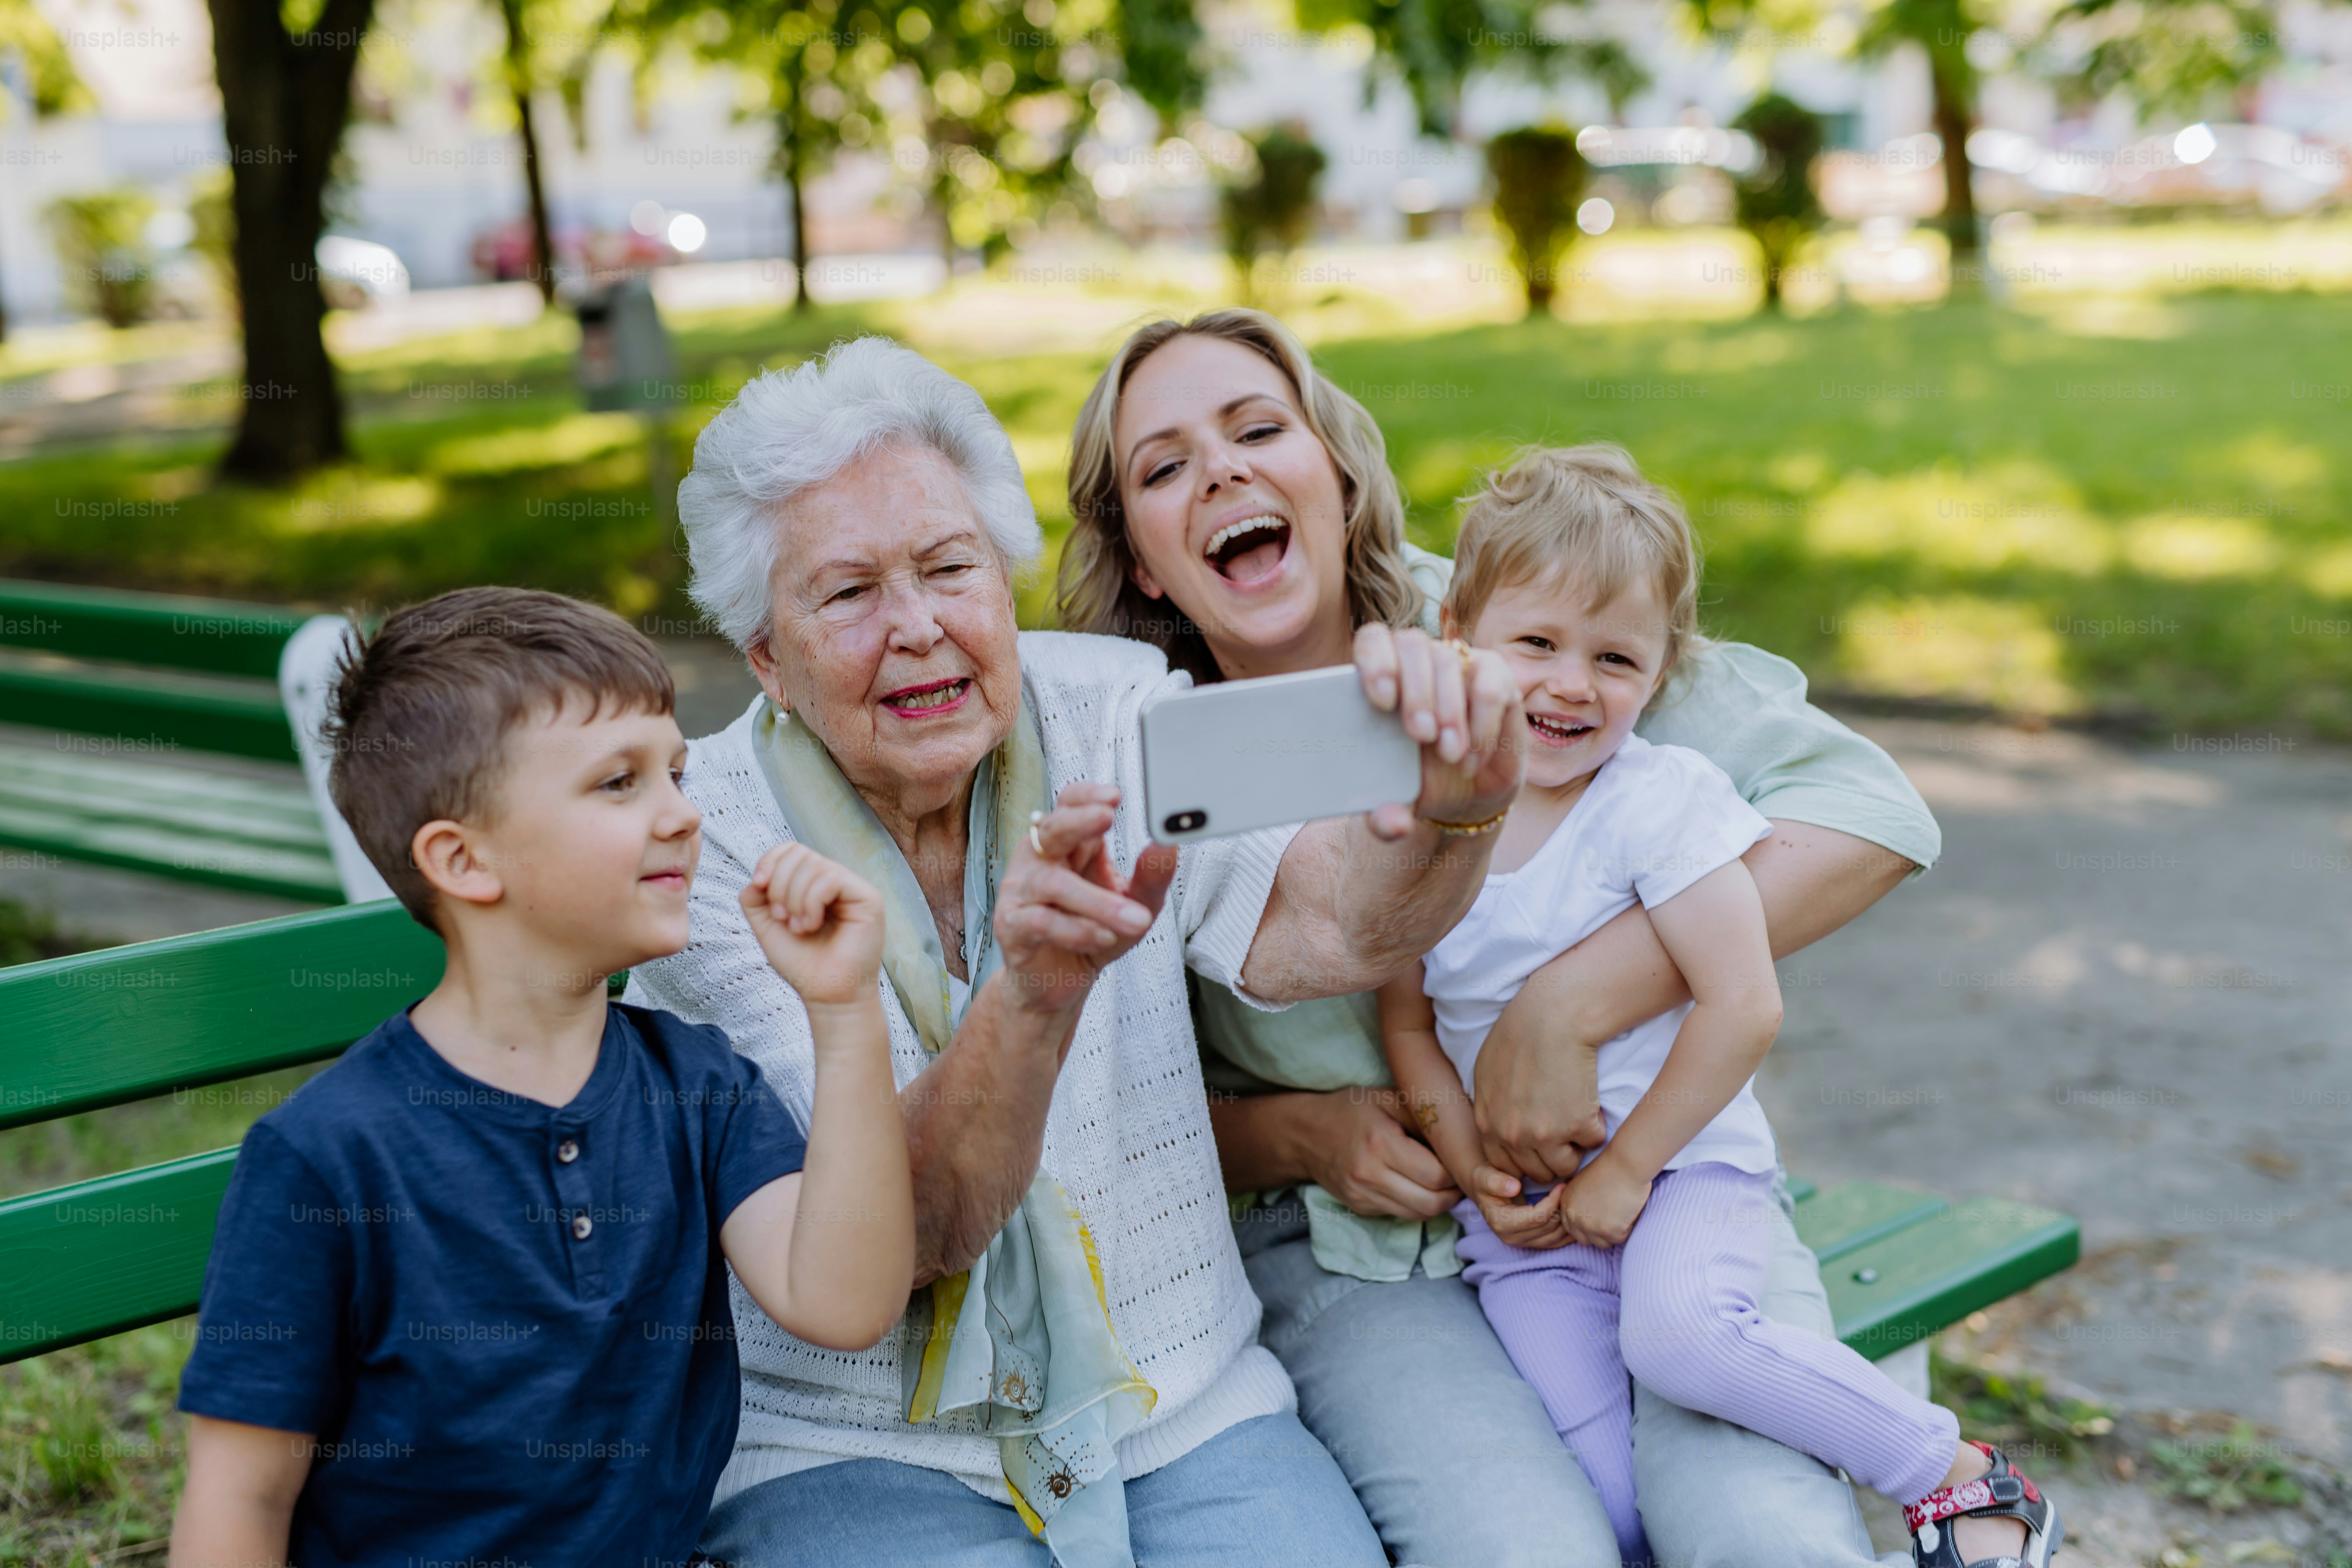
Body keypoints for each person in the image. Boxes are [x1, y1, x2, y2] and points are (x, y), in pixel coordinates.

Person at [623, 335, 1530, 1568]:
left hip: (1187, 1409)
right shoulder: (710, 848)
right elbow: (904, 1238)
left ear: (1004, 580)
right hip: (858, 1454)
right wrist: (1035, 997)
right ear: (767, 658)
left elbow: (1326, 926)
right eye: (847, 594)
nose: (919, 628)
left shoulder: (1115, 709)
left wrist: (1456, 807)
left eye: (951, 569)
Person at [1059, 308, 1946, 1568]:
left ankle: (1955, 1481)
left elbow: (1866, 813)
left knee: (1760, 1539)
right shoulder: (1130, 746)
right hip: (1360, 1250)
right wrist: (1299, 1133)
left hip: (1637, 1178)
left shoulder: (1513, 623)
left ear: (1337, 471)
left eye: (1261, 430)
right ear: (1143, 559)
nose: (1224, 473)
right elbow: (1090, 1105)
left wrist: (1574, 1003)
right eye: (1165, 467)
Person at [1380, 445, 2062, 1568]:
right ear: (1457, 629)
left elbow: (1742, 1007)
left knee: (1684, 1339)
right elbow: (1406, 1022)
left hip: (1682, 1174)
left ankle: (1961, 1483)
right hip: (1522, 1230)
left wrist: (1629, 1169)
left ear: (1662, 670)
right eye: (1536, 643)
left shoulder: (1660, 803)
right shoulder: (1422, 815)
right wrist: (1475, 1173)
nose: (1570, 683)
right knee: (1589, 1498)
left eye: (1615, 657)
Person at [166, 588, 917, 1568]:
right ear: (465, 859)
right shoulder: (328, 1159)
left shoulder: (698, 1086)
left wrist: (844, 1009)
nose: (685, 814)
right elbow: (240, 1500)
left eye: (677, 773)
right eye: (620, 782)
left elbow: (848, 1303)